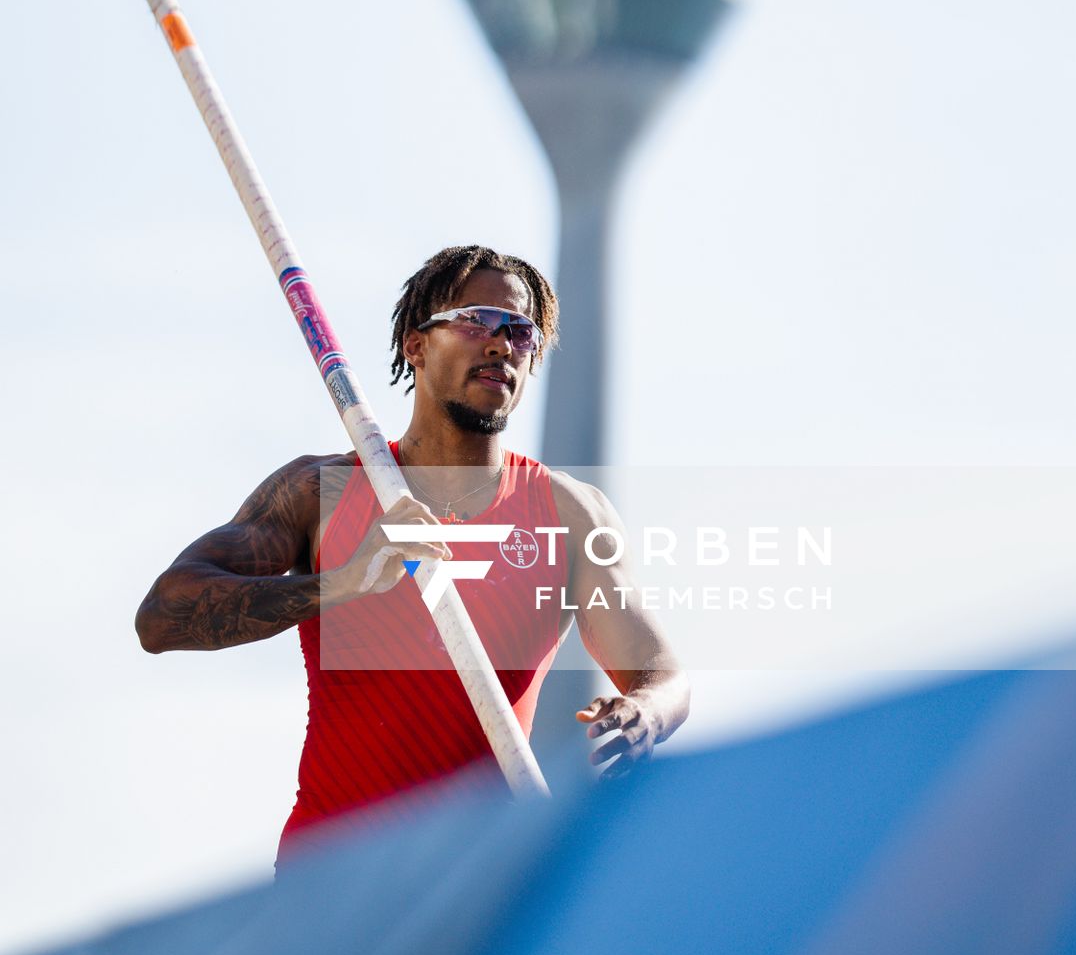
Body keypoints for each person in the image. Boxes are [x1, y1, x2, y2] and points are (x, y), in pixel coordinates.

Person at [135, 244, 689, 851]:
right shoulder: (323, 492)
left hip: (475, 878)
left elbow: (660, 674)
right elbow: (161, 619)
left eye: (520, 332)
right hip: (329, 878)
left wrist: (644, 715)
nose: (500, 344)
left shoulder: (568, 513)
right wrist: (342, 583)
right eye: (475, 320)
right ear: (416, 345)